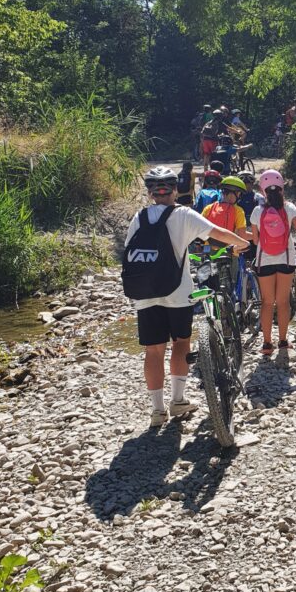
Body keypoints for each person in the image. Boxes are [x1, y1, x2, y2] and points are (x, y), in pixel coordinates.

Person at [122, 167, 249, 427]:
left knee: (153, 350)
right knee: (181, 343)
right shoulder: (182, 214)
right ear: (176, 189)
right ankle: (178, 400)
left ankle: (157, 411)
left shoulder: (139, 217)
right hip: (177, 292)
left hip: (145, 292)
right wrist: (241, 243)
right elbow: (216, 234)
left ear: (150, 193)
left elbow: (129, 250)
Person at [249, 169, 296, 357]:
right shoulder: (289, 208)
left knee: (266, 303)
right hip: (286, 260)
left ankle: (266, 344)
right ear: (281, 188)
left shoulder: (257, 211)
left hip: (264, 261)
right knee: (282, 302)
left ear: (263, 190)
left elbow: (255, 241)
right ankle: (282, 341)